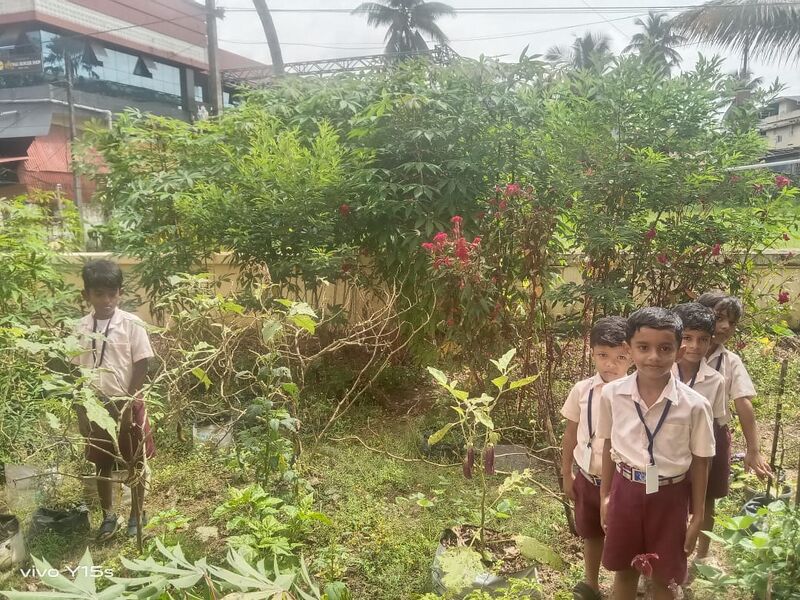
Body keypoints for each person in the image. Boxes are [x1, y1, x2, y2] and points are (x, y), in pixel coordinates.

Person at [597, 307, 715, 600]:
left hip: (671, 498)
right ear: (629, 349)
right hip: (625, 490)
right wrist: (605, 497)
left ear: (678, 351)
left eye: (664, 348)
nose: (653, 357)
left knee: (666, 578)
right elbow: (608, 445)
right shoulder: (613, 395)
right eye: (643, 347)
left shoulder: (695, 405)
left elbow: (701, 461)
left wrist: (697, 514)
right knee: (624, 572)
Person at [72, 259, 155, 541]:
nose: (106, 300)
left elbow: (142, 364)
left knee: (136, 460)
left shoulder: (131, 324)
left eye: (112, 293)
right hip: (96, 404)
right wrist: (82, 412)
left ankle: (137, 513)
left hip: (128, 402)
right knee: (102, 462)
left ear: (120, 293)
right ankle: (109, 516)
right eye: (99, 294)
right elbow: (76, 372)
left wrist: (130, 404)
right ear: (87, 296)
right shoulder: (80, 328)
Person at [561, 316, 632, 600]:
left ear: (632, 357)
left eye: (620, 357)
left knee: (624, 535)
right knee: (590, 532)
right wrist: (568, 474)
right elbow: (569, 436)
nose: (610, 364)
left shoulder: (636, 393)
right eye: (603, 355)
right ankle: (591, 583)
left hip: (623, 482)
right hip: (588, 477)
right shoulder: (582, 390)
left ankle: (624, 587)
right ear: (592, 353)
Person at [672, 302, 727, 560]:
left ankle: (702, 555)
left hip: (702, 449)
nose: (694, 346)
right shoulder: (661, 372)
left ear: (710, 341)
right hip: (669, 450)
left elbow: (718, 421)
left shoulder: (715, 380)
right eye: (687, 338)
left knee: (704, 500)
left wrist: (710, 458)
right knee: (669, 503)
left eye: (702, 339)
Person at [697, 292, 772, 480]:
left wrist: (753, 450)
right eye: (719, 318)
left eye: (732, 323)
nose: (725, 327)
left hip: (715, 434)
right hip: (677, 431)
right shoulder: (678, 355)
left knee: (709, 493)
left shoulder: (730, 361)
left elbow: (743, 401)